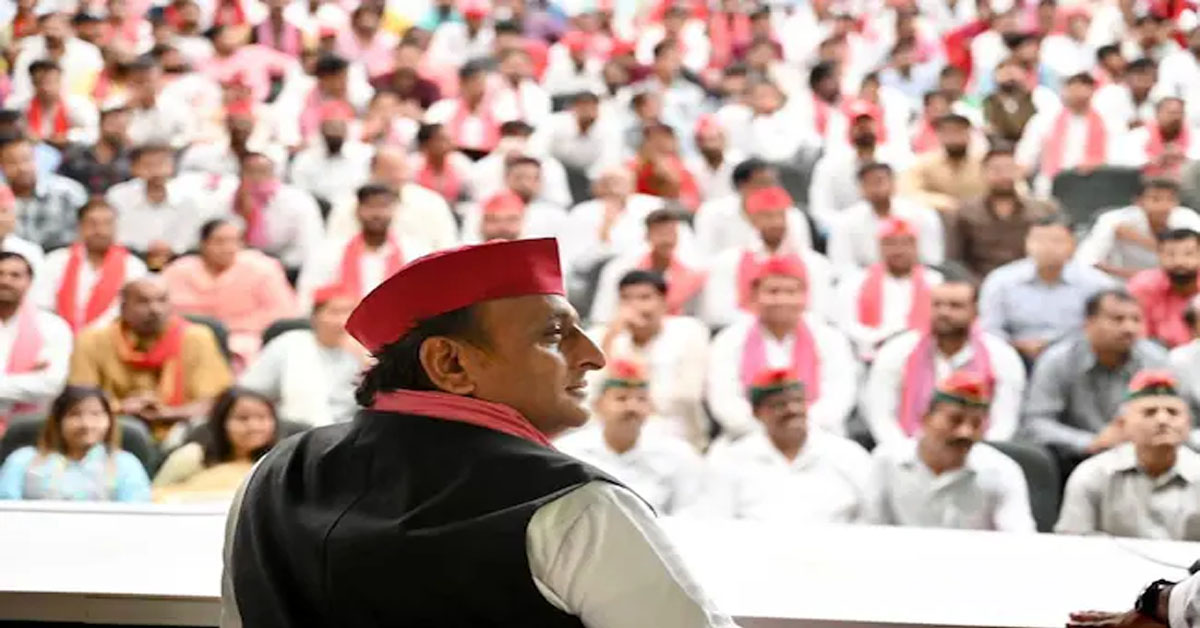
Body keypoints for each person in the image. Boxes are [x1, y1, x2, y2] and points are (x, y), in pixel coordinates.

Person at [222, 238, 738, 627]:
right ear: (450, 363)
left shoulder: (274, 476)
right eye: (554, 334)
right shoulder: (575, 507)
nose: (593, 355)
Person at [689, 367, 872, 522]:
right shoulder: (730, 461)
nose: (792, 410)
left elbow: (871, 516)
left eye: (798, 401)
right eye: (779, 405)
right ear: (757, 413)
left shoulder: (848, 455)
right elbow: (715, 520)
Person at [865, 371, 1036, 532]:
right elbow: (868, 529)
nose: (966, 432)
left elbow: (1020, 538)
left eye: (976, 424)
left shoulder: (1003, 472)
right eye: (955, 420)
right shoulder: (887, 461)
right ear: (926, 419)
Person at [707, 255, 857, 438]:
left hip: (819, 438)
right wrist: (769, 433)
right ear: (754, 296)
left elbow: (838, 397)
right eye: (773, 292)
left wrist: (797, 430)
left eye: (791, 292)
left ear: (805, 296)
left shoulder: (830, 338)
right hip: (747, 438)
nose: (781, 300)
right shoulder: (729, 339)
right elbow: (724, 401)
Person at [68, 276, 233, 442]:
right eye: (143, 302)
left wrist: (168, 413)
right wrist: (121, 408)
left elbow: (216, 402)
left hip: (180, 429)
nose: (155, 309)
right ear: (123, 307)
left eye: (162, 300)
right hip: (111, 431)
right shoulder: (92, 341)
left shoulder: (197, 338)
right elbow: (79, 400)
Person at [865, 278, 1026, 445]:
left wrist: (976, 454)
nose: (944, 312)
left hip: (978, 451)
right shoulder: (898, 350)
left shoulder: (1001, 355)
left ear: (975, 311)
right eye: (937, 305)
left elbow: (1004, 422)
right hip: (906, 451)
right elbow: (881, 416)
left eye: (955, 306)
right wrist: (907, 453)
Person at [1023, 289, 1169, 463]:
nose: (1129, 328)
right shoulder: (1059, 360)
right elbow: (1036, 422)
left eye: (1136, 320)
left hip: (1141, 456)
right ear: (1089, 323)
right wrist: (1090, 442)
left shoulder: (1155, 360)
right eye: (1118, 319)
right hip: (1074, 459)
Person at [1055, 371, 1200, 540]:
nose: (1162, 420)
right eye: (1150, 412)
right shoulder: (1093, 474)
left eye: (1173, 412)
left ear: (1189, 424)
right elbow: (1072, 544)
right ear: (1123, 424)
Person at [555, 359, 704, 514]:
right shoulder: (568, 453)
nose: (632, 407)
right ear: (598, 405)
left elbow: (689, 512)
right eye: (621, 398)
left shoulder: (677, 454)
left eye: (641, 399)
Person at [586, 270, 710, 448]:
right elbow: (591, 394)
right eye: (626, 299)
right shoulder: (601, 336)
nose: (635, 306)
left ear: (664, 302)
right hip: (608, 433)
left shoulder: (690, 331)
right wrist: (610, 339)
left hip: (676, 433)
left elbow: (685, 396)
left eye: (644, 298)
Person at [979, 215, 1115, 363]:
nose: (1046, 247)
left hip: (1076, 358)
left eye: (1056, 241)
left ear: (1073, 245)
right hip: (1014, 357)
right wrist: (1016, 346)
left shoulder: (1098, 284)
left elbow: (1105, 328)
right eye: (1038, 240)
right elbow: (990, 329)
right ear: (1026, 243)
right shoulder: (1001, 280)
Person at [161, 219, 297, 363]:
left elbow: (283, 312)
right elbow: (165, 309)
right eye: (219, 242)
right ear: (203, 244)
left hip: (248, 339)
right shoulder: (179, 271)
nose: (228, 248)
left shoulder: (262, 268)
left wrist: (231, 325)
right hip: (189, 337)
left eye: (235, 241)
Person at [699, 185, 837, 328]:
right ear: (753, 220)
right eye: (767, 216)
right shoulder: (728, 262)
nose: (776, 222)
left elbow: (822, 312)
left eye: (780, 216)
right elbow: (719, 313)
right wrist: (767, 325)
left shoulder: (814, 263)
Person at [0, 386, 150, 501]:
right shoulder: (23, 460)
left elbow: (137, 518)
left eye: (96, 414)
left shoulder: (125, 465)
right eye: (75, 414)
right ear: (58, 421)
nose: (86, 424)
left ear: (109, 421)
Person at [240, 286, 362, 427]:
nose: (343, 320)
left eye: (350, 312)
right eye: (335, 312)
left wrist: (366, 359)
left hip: (352, 431)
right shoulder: (290, 344)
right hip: (296, 430)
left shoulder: (366, 351)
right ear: (315, 317)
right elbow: (250, 391)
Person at [297, 183, 431, 311]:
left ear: (394, 210)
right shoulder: (330, 252)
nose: (376, 214)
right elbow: (309, 297)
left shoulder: (414, 252)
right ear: (357, 210)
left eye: (383, 206)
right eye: (370, 206)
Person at [33, 198, 148, 333]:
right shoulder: (56, 260)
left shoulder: (134, 267)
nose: (100, 230)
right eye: (92, 224)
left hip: (112, 339)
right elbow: (43, 307)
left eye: (107, 224)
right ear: (80, 227)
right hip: (61, 336)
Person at [837, 217, 944, 362]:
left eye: (905, 243)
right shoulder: (855, 282)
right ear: (879, 247)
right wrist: (881, 340)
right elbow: (846, 325)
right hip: (869, 356)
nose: (898, 250)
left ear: (916, 247)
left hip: (924, 356)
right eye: (891, 243)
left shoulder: (935, 282)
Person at [153, 387, 279, 503]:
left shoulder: (277, 464)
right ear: (221, 422)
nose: (254, 426)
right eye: (242, 418)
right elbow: (154, 496)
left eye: (262, 418)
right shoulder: (192, 456)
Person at [947, 147, 1056, 279]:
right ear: (983, 173)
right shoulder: (965, 213)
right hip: (980, 281)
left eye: (1009, 169)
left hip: (1030, 281)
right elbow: (954, 260)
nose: (1004, 176)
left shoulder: (1042, 211)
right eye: (997, 170)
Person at [588, 208, 705, 324]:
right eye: (660, 234)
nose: (667, 240)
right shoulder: (620, 269)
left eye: (671, 234)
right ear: (647, 236)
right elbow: (603, 315)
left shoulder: (691, 273)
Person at [826, 162, 944, 274]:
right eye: (868, 183)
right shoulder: (845, 221)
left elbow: (932, 261)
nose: (875, 188)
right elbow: (842, 267)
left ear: (893, 184)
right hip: (863, 281)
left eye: (879, 181)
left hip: (916, 280)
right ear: (860, 189)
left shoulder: (922, 215)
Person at [1015, 72, 1118, 197]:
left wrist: (1096, 164)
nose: (1079, 92)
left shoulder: (1108, 122)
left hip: (1094, 185)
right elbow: (1026, 157)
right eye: (1074, 86)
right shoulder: (1044, 119)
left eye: (1084, 86)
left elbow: (1116, 157)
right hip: (1050, 186)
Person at [0, 251, 72, 429]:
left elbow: (52, 384)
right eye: (0, 274)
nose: (5, 281)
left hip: (31, 428)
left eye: (15, 275)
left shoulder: (53, 326)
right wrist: (27, 377)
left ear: (29, 282)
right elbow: (38, 384)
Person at [219, 151, 324, 272]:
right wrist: (246, 216)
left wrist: (275, 266)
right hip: (242, 263)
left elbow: (308, 247)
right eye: (250, 172)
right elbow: (224, 241)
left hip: (288, 265)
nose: (256, 178)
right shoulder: (232, 199)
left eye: (262, 171)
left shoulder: (298, 201)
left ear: (274, 174)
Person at [1076, 178, 1200, 280]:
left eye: (1170, 199)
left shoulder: (1187, 217)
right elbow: (1087, 260)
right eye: (1156, 199)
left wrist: (1141, 240)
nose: (1164, 205)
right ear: (1138, 201)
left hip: (1178, 283)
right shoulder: (1113, 220)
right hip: (1122, 285)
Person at [106, 143, 215, 257]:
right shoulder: (117, 196)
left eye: (162, 163)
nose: (157, 171)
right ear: (134, 168)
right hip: (129, 257)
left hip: (177, 259)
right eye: (148, 165)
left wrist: (173, 250)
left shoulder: (188, 198)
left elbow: (191, 240)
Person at [693, 158, 813, 258]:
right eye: (763, 183)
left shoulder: (793, 216)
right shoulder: (711, 213)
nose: (770, 189)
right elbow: (704, 258)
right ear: (741, 186)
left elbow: (804, 258)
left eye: (773, 183)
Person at [0, 132, 88, 251]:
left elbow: (86, 232)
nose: (22, 168)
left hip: (63, 257)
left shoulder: (68, 191)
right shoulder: (2, 200)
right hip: (13, 259)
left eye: (26, 159)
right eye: (12, 162)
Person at [287, 100, 373, 205]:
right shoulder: (305, 159)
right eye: (330, 125)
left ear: (347, 129)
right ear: (321, 129)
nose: (334, 130)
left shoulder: (365, 154)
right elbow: (301, 194)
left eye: (339, 125)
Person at [897, 113, 987, 214]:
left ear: (969, 134)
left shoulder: (984, 161)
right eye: (948, 132)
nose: (954, 138)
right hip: (939, 216)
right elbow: (907, 192)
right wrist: (948, 203)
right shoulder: (924, 163)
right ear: (939, 135)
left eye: (959, 131)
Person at [1129, 229, 1200, 349]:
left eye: (1188, 254)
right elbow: (1137, 337)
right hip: (1158, 354)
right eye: (1170, 255)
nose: (1179, 262)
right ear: (1159, 256)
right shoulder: (1143, 286)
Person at [56, 103, 133, 194]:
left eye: (123, 127)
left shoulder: (129, 160)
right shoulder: (76, 154)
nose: (118, 131)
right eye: (114, 125)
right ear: (102, 123)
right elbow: (60, 182)